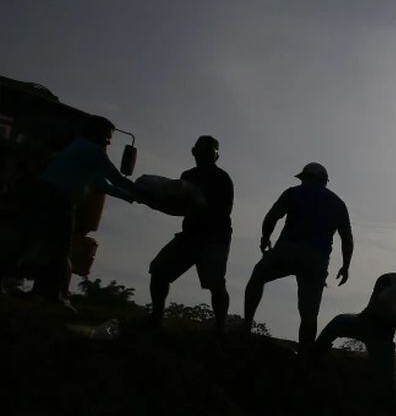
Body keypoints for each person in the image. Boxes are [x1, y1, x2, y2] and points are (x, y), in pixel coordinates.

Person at [0, 115, 135, 309]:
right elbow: (116, 178)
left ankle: (41, 291)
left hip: (43, 196)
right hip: (58, 200)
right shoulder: (93, 151)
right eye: (107, 136)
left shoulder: (78, 149)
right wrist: (143, 193)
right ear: (96, 132)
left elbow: (104, 185)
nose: (108, 141)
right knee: (61, 249)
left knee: (28, 241)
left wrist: (132, 197)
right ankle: (51, 295)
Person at [242, 162, 352, 348]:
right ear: (324, 181)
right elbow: (347, 238)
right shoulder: (338, 203)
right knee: (309, 313)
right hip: (316, 260)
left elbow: (272, 217)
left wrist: (265, 238)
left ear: (307, 178)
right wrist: (346, 265)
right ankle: (305, 354)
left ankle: (246, 328)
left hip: (287, 251)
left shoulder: (293, 193)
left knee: (257, 277)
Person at [311, 252, 396, 402]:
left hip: (384, 337)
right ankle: (314, 355)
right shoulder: (387, 279)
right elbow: (376, 304)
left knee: (388, 385)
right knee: (338, 322)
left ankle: (386, 405)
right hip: (365, 322)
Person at [147, 136, 234, 332]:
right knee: (159, 271)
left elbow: (224, 210)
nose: (205, 155)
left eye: (210, 152)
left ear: (216, 156)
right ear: (194, 152)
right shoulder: (188, 175)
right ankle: (156, 319)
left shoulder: (222, 178)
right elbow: (180, 205)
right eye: (202, 151)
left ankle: (220, 329)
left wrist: (201, 204)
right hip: (190, 234)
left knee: (216, 284)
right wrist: (156, 202)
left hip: (215, 237)